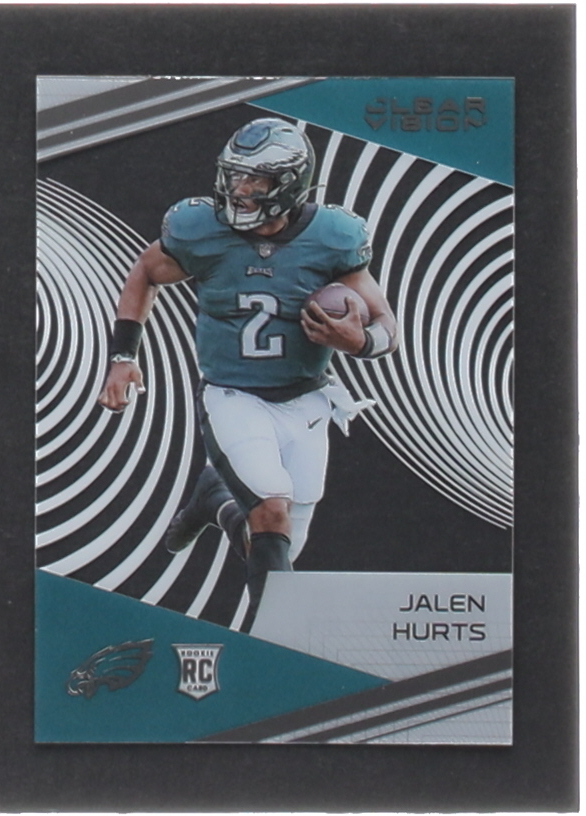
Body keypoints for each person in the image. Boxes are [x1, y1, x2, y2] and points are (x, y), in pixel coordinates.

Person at [98, 117, 398, 618]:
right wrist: (123, 357)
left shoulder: (333, 237)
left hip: (306, 398)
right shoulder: (201, 229)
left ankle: (214, 500)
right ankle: (276, 637)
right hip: (233, 396)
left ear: (290, 184)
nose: (239, 190)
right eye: (235, 175)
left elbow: (386, 322)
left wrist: (360, 340)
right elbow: (146, 272)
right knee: (271, 514)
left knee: (275, 542)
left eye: (256, 180)